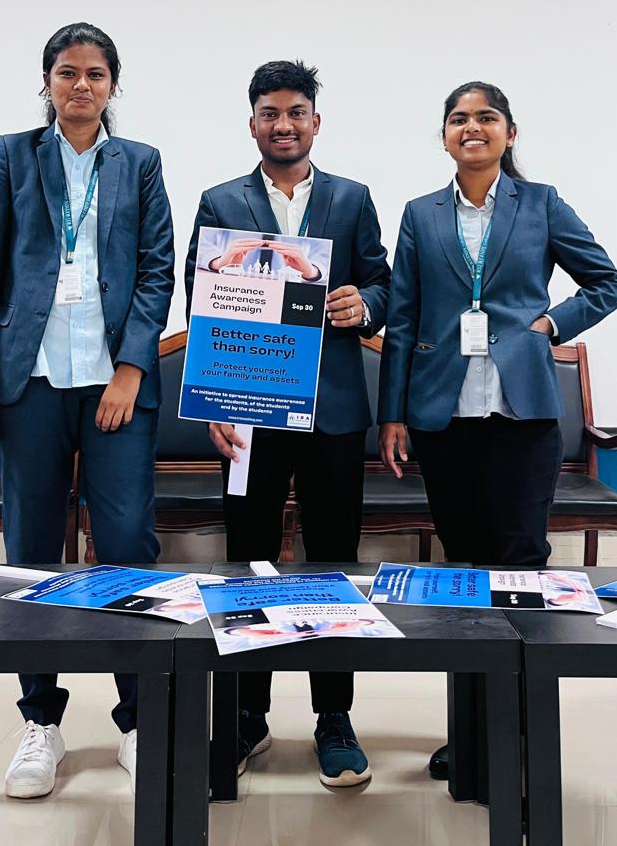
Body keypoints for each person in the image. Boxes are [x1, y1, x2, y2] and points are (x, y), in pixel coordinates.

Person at [377, 80, 617, 778]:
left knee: (519, 569)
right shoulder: (420, 214)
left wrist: (549, 325)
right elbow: (403, 316)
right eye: (458, 118)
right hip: (443, 416)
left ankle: (516, 734)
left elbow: (606, 283)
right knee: (462, 576)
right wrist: (393, 413)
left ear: (508, 133)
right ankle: (469, 735)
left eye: (486, 117)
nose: (472, 127)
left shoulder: (541, 203)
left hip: (522, 417)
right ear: (444, 136)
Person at [0, 22, 175, 799]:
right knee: (30, 549)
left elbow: (157, 270)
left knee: (126, 547)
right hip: (30, 380)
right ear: (47, 82)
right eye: (66, 72)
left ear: (113, 85)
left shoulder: (139, 163)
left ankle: (137, 717)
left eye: (94, 73)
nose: (80, 85)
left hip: (113, 381)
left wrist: (131, 369)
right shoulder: (11, 155)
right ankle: (40, 721)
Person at [185, 59, 391, 787]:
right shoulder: (220, 200)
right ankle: (247, 714)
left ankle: (334, 716)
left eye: (296, 112)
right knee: (248, 560)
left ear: (315, 121)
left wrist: (363, 305)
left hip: (332, 412)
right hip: (248, 411)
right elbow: (201, 303)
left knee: (333, 562)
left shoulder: (351, 197)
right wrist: (215, 403)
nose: (283, 124)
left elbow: (383, 282)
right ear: (253, 124)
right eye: (270, 113)